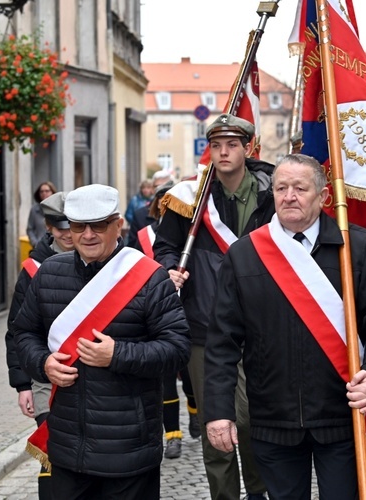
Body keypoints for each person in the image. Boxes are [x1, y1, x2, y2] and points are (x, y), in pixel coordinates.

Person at [204, 154, 366, 499]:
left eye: (300, 188)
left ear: (323, 196)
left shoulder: (355, 246)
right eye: (281, 188)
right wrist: (219, 411)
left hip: (340, 415)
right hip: (271, 418)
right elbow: (222, 340)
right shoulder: (246, 254)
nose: (289, 196)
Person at [13, 184, 190, 499]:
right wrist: (43, 363)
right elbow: (24, 333)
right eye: (79, 226)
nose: (88, 234)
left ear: (117, 225)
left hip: (129, 451)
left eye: (99, 225)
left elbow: (177, 350)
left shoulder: (150, 278)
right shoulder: (50, 272)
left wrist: (117, 354)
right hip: (67, 447)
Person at [154, 113, 272, 500]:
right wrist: (169, 269)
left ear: (247, 147)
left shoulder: (274, 191)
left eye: (232, 145)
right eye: (216, 145)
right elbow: (165, 248)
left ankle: (258, 493)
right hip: (205, 325)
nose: (223, 152)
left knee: (256, 421)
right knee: (215, 426)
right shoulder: (189, 198)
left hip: (265, 325)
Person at [5, 191, 73, 498]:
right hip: (46, 378)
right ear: (48, 227)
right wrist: (22, 385)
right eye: (61, 227)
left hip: (94, 374)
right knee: (52, 452)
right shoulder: (33, 270)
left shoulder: (103, 260)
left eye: (73, 225)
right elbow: (17, 331)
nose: (69, 233)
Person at [130, 179, 201, 459]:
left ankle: (196, 412)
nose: (165, 205)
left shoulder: (191, 235)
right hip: (156, 313)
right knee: (166, 378)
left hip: (189, 309)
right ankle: (173, 435)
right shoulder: (143, 235)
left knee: (192, 376)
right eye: (162, 200)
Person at [27, 181, 57, 247]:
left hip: (55, 248)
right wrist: (34, 242)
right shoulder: (34, 209)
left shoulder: (58, 209)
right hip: (39, 247)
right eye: (41, 191)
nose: (44, 193)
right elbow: (30, 229)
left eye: (47, 191)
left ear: (52, 192)